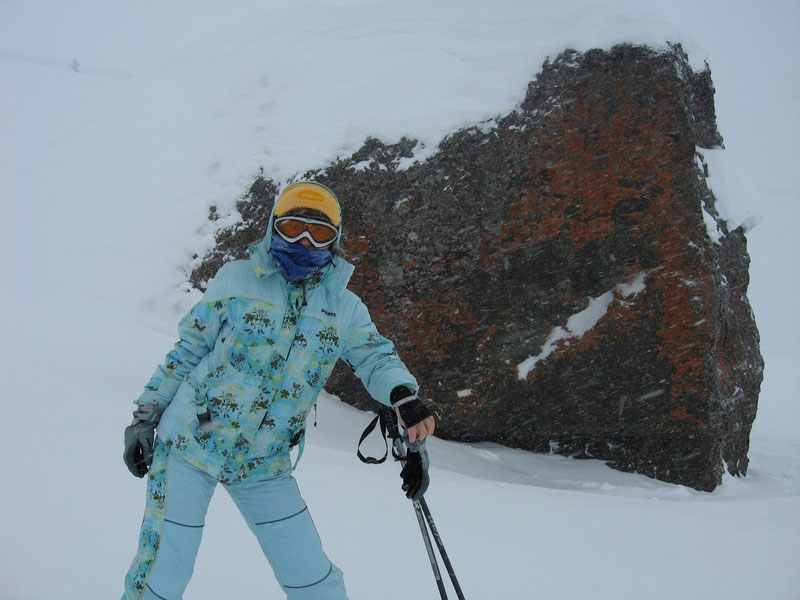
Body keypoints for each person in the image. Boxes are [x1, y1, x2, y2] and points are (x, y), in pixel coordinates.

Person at [121, 181, 436, 600]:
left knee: (315, 580)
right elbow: (189, 351)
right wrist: (145, 416)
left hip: (264, 460)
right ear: (273, 227)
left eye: (319, 233)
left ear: (335, 240)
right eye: (293, 227)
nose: (305, 241)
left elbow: (376, 359)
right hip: (192, 440)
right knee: (163, 570)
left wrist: (404, 397)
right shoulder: (236, 279)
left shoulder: (343, 307)